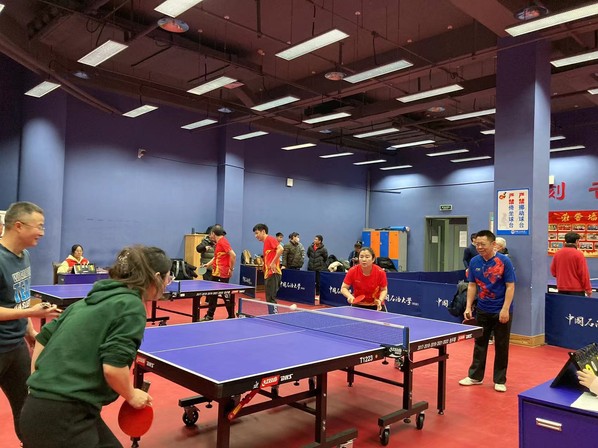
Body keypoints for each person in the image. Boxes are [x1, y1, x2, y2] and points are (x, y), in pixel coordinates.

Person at [20, 245, 172, 448]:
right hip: (65, 419)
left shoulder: (83, 303)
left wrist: (39, 385)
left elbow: (42, 339)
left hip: (37, 409)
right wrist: (132, 394)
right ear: (157, 277)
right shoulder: (131, 306)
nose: (168, 284)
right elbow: (113, 368)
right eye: (168, 278)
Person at [0, 201, 61, 443]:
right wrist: (32, 312)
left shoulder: (24, 256)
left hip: (16, 347)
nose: (42, 232)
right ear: (18, 226)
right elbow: (24, 308)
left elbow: (20, 299)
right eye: (39, 226)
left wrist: (31, 332)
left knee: (26, 407)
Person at [459, 229, 516, 393]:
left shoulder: (504, 261)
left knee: (501, 345)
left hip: (501, 310)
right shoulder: (474, 261)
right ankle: (475, 377)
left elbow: (510, 286)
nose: (479, 247)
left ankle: (499, 380)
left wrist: (505, 309)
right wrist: (468, 306)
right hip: (483, 309)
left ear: (493, 244)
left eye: (482, 244)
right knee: (480, 344)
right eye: (477, 244)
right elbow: (472, 285)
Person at [201, 225, 236, 320]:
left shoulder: (223, 241)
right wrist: (207, 264)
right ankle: (210, 315)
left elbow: (233, 255)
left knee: (225, 295)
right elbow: (216, 257)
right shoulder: (219, 242)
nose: (210, 236)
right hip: (216, 273)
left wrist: (231, 269)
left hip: (222, 273)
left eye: (210, 234)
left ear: (213, 233)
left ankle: (231, 315)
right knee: (213, 295)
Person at [341, 247, 388, 311]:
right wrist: (350, 296)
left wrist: (380, 300)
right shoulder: (352, 271)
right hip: (358, 304)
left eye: (367, 257)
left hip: (377, 305)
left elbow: (384, 290)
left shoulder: (380, 272)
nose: (364, 259)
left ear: (373, 259)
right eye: (361, 257)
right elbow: (344, 288)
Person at [550, 231, 592, 297]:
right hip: (577, 290)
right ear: (576, 241)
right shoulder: (579, 254)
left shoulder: (557, 253)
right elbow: (584, 274)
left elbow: (553, 272)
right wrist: (588, 289)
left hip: (561, 289)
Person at [253, 224, 283, 313]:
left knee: (271, 298)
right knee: (269, 297)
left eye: (257, 233)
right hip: (269, 273)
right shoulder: (266, 242)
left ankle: (274, 316)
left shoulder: (270, 239)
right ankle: (272, 315)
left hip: (273, 273)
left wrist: (273, 262)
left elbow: (281, 249)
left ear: (263, 231)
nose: (255, 236)